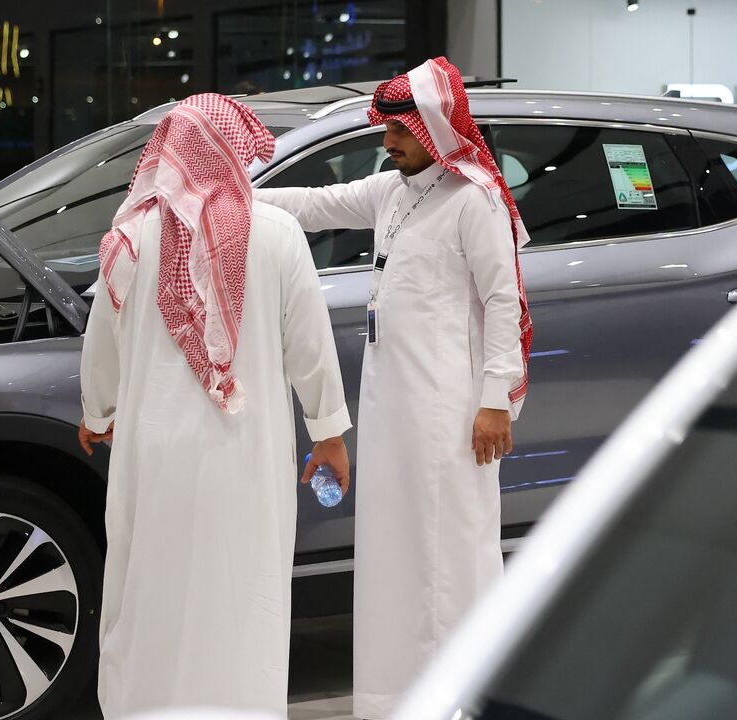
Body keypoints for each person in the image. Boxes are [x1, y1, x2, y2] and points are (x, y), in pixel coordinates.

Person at [254, 57, 533, 719]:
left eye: (398, 131)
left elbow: (503, 301)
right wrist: (233, 197)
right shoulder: (393, 191)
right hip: (390, 404)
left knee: (452, 548)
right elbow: (317, 207)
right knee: (395, 549)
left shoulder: (475, 199)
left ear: (433, 128)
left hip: (452, 407)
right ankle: (394, 696)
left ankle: (462, 691)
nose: (387, 141)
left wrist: (496, 398)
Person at [77, 93, 352, 717]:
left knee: (152, 589)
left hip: (153, 451)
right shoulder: (277, 231)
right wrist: (329, 434)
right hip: (245, 453)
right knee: (243, 587)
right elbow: (311, 349)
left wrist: (97, 416)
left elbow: (102, 348)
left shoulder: (129, 240)